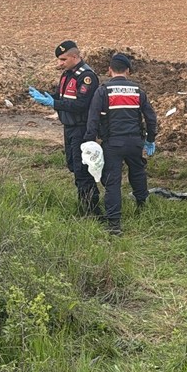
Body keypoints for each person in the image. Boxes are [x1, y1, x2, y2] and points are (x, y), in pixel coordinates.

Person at [83, 52, 158, 235]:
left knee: (113, 182)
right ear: (128, 71)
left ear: (109, 71)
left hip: (113, 144)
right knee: (138, 173)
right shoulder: (138, 91)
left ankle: (114, 225)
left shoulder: (103, 91)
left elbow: (92, 120)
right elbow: (151, 118)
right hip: (135, 143)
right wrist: (150, 139)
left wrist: (88, 142)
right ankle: (142, 207)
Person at [28, 40, 101, 216]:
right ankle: (84, 205)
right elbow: (63, 96)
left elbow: (81, 105)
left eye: (63, 59)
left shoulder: (86, 76)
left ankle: (92, 211)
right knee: (73, 166)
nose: (59, 63)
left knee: (82, 171)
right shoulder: (67, 74)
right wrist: (47, 97)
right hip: (68, 127)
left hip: (81, 129)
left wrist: (54, 103)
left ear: (75, 56)